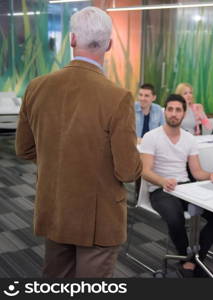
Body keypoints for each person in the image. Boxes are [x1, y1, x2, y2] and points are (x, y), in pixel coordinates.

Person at [15, 7, 142, 278]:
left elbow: (23, 148)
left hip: (55, 206)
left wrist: (59, 161)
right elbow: (128, 171)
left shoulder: (36, 87)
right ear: (108, 45)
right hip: (98, 219)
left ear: (72, 39)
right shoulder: (117, 97)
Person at [139, 94, 213, 278]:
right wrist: (162, 181)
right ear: (165, 112)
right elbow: (145, 171)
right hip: (160, 189)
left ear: (184, 114)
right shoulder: (151, 137)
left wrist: (211, 175)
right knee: (175, 218)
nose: (173, 113)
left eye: (178, 110)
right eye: (170, 109)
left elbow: (196, 172)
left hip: (185, 187)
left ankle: (194, 259)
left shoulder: (189, 139)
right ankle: (189, 261)